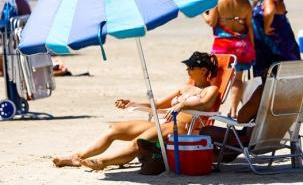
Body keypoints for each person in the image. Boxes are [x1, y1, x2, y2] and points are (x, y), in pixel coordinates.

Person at [52, 51, 219, 170]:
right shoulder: (185, 88)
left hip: (182, 129)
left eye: (190, 67)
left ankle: (103, 162)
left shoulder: (211, 90)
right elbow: (159, 103)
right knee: (114, 130)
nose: (187, 70)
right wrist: (132, 102)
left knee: (139, 142)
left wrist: (182, 105)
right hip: (165, 122)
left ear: (203, 71)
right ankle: (76, 157)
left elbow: (205, 104)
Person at [203, 0, 255, 118]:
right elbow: (249, 25)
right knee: (238, 79)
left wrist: (203, 11)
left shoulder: (218, 0)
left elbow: (211, 21)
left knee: (217, 78)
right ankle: (233, 111)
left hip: (223, 45)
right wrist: (253, 48)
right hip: (241, 45)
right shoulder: (244, 2)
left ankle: (212, 109)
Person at [252, 0, 300, 78]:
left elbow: (269, 12)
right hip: (282, 44)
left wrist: (266, 27)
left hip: (273, 48)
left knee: (269, 80)